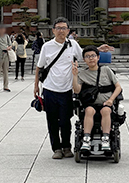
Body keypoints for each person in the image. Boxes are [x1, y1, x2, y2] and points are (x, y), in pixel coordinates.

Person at [35, 17, 84, 159]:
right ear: (53, 30)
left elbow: (84, 57)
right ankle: (56, 148)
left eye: (64, 28)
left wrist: (98, 51)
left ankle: (67, 146)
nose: (61, 31)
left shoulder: (73, 45)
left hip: (67, 89)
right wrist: (36, 87)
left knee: (65, 120)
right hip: (50, 89)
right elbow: (39, 67)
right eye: (58, 28)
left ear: (68, 31)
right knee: (52, 120)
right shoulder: (47, 46)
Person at [72, 46, 123, 154]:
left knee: (105, 111)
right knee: (89, 110)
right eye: (87, 56)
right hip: (91, 103)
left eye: (93, 56)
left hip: (106, 103)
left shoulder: (106, 70)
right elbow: (77, 91)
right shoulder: (82, 74)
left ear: (98, 57)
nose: (91, 58)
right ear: (84, 59)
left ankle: (105, 138)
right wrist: (75, 76)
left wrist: (111, 100)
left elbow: (118, 87)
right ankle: (86, 139)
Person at [0, 24, 12, 92]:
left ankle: (6, 86)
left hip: (5, 55)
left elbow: (10, 44)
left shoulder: (6, 36)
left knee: (5, 71)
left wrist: (9, 47)